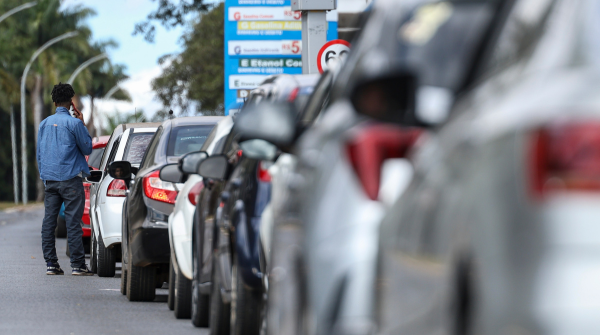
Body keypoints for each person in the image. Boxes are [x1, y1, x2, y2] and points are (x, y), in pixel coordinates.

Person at [37, 83, 94, 276]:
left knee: (49, 223)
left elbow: (40, 154)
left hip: (50, 180)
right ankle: (78, 265)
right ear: (71, 103)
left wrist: (45, 176)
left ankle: (51, 264)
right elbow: (87, 148)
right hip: (71, 180)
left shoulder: (43, 124)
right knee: (73, 222)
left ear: (54, 103)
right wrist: (83, 123)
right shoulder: (75, 123)